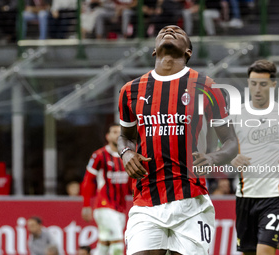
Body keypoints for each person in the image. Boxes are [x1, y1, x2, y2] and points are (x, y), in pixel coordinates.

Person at [118, 25, 238, 255]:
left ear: (188, 52)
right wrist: (126, 153)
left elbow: (231, 142)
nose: (170, 30)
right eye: (163, 30)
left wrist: (213, 157)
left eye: (178, 32)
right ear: (154, 51)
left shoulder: (207, 87)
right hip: (146, 202)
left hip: (191, 202)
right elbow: (125, 137)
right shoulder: (130, 90)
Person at [230, 59, 279, 255]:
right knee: (248, 252)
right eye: (253, 83)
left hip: (275, 196)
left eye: (263, 84)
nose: (257, 89)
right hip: (245, 195)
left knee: (265, 251)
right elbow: (224, 148)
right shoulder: (236, 114)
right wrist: (232, 158)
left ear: (273, 85)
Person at [81, 124, 130, 255]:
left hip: (120, 207)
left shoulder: (128, 156)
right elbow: (88, 180)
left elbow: (131, 183)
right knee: (118, 242)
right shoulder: (99, 155)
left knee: (105, 242)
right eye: (114, 132)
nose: (118, 135)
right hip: (104, 205)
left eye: (120, 132)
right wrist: (86, 204)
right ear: (108, 136)